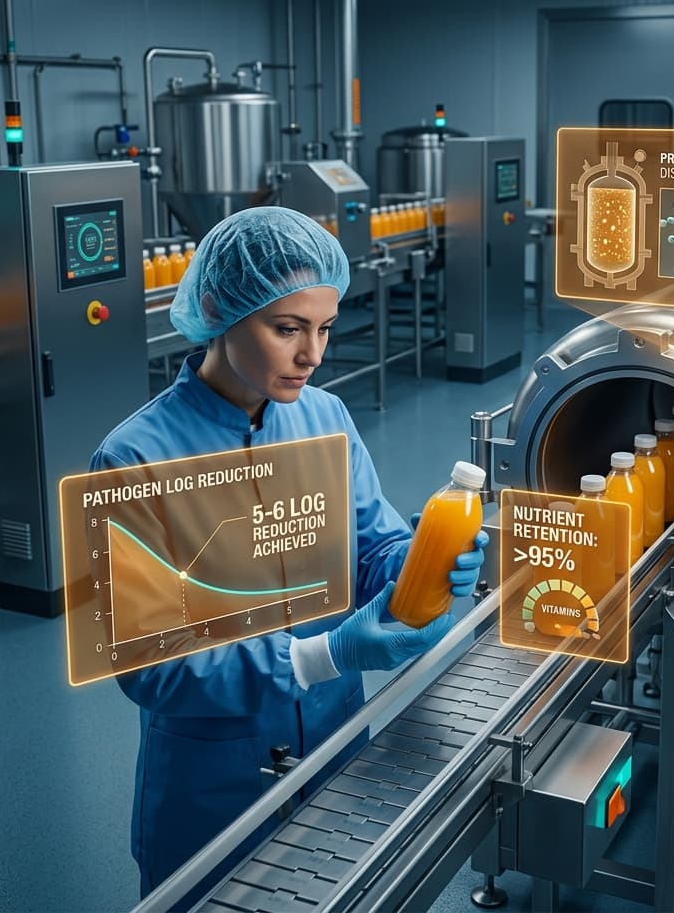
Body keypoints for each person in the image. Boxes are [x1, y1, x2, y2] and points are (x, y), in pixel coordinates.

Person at [90, 207, 487, 907]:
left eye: (325, 327)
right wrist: (319, 655)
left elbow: (372, 542)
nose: (314, 355)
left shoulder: (323, 416)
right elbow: (151, 664)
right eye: (287, 329)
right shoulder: (135, 458)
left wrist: (414, 564)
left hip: (335, 743)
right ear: (218, 310)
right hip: (214, 774)